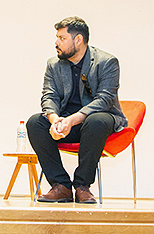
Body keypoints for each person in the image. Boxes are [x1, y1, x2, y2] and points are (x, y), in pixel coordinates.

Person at [27, 16, 127, 205]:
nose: (56, 42)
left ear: (78, 40)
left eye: (61, 38)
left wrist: (71, 120)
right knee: (35, 122)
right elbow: (49, 96)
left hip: (99, 122)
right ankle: (61, 186)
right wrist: (55, 120)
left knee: (96, 120)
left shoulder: (106, 62)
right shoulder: (53, 64)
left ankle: (82, 186)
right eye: (57, 37)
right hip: (67, 123)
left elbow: (104, 100)